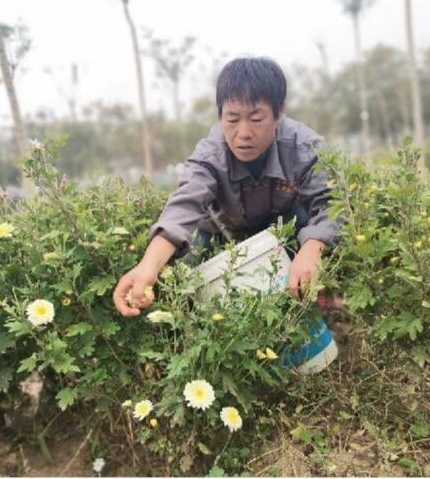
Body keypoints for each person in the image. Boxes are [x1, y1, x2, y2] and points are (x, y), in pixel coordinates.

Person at [113, 57, 341, 317]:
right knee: (181, 271)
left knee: (317, 237)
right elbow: (184, 204)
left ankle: (320, 313)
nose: (243, 133)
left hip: (285, 227)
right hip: (223, 232)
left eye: (256, 119)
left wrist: (313, 247)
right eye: (232, 119)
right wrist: (147, 266)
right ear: (221, 115)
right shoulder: (211, 153)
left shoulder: (303, 146)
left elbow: (332, 203)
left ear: (279, 113)